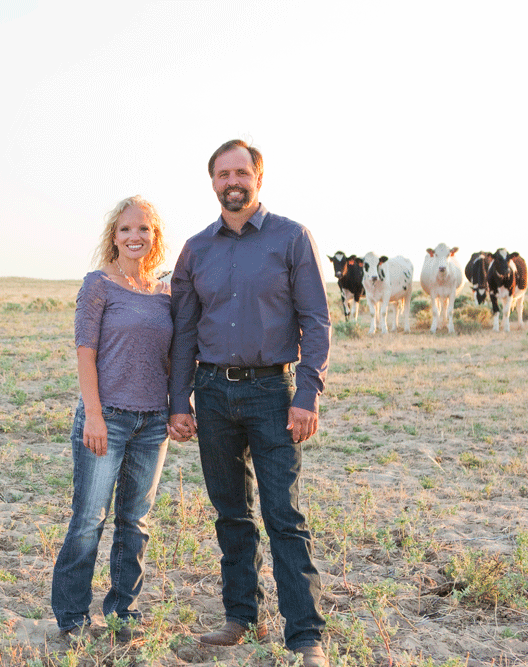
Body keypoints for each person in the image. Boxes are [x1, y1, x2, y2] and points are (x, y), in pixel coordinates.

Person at [168, 140, 331, 667]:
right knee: (230, 514)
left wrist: (307, 395)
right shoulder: (196, 249)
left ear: (258, 177)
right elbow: (184, 332)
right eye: (222, 174)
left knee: (284, 515)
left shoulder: (291, 238)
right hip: (212, 393)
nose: (231, 181)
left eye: (241, 172)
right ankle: (240, 618)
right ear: (212, 182)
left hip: (272, 393)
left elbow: (317, 322)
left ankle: (306, 637)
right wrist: (179, 400)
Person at [52, 195, 189, 645]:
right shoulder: (98, 285)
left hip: (152, 424)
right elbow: (85, 351)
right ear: (114, 236)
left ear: (155, 237)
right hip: (105, 417)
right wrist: (93, 414)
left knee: (136, 521)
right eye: (126, 229)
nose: (135, 237)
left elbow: (172, 357)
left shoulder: (164, 292)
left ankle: (122, 612)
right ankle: (72, 617)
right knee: (90, 518)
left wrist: (176, 409)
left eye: (144, 229)